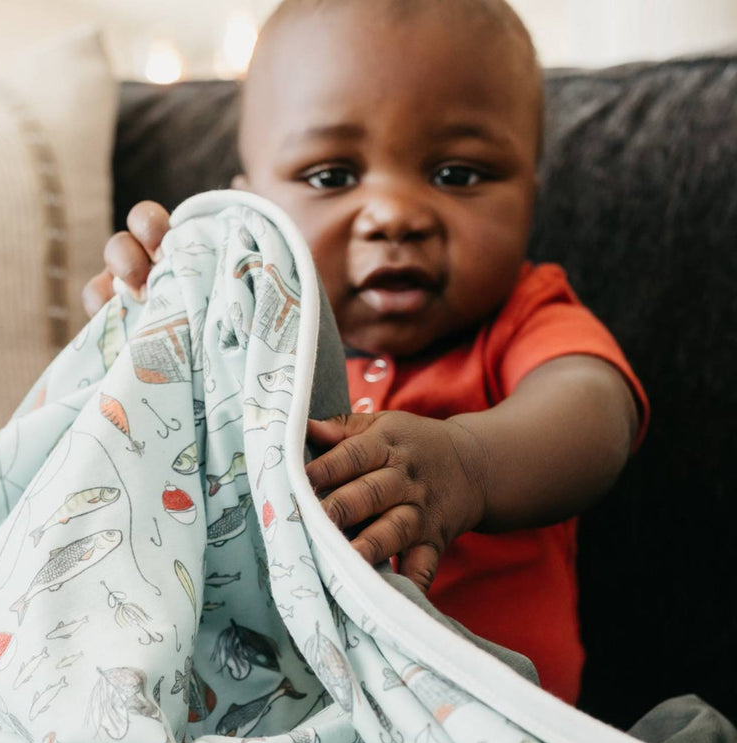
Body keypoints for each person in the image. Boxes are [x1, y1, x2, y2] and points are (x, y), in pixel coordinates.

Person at [80, 0, 648, 707]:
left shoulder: (522, 315)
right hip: (268, 733)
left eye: (458, 175)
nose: (394, 215)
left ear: (530, 194)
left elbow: (597, 414)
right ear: (249, 206)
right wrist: (146, 323)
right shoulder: (237, 324)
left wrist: (467, 465)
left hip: (492, 730)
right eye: (331, 176)